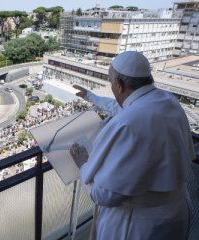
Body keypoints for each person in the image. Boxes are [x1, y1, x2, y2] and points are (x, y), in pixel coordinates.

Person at [71, 51, 196, 240]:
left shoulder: (127, 125)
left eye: (111, 81)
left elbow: (104, 195)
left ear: (119, 85)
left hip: (140, 225)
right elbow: (122, 107)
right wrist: (90, 96)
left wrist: (83, 164)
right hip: (177, 211)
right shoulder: (167, 101)